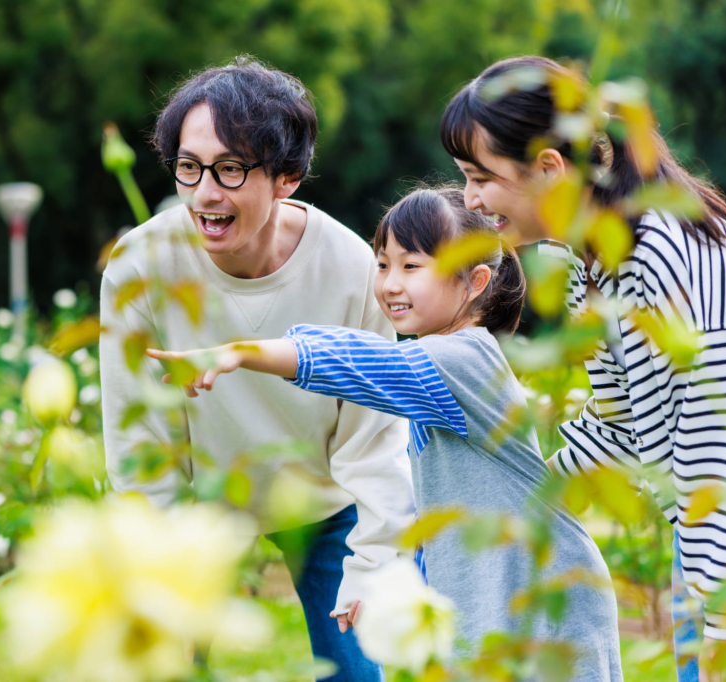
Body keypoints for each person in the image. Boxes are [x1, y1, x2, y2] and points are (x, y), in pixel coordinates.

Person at [149, 186, 623, 681]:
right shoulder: (435, 368)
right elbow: (426, 502)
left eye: (411, 266)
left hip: (546, 601)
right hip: (499, 598)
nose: (390, 284)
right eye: (382, 265)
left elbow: (360, 361)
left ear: (475, 281)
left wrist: (243, 353)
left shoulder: (463, 361)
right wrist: (378, 576)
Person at [440, 55, 726, 679]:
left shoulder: (663, 248)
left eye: (478, 176)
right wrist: (533, 493)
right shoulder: (590, 262)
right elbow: (621, 420)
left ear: (548, 169)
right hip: (716, 529)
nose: (469, 199)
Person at [99, 57, 414, 681]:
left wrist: (374, 566)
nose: (205, 193)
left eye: (231, 169)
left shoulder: (353, 269)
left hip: (329, 506)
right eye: (189, 167)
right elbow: (140, 441)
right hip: (201, 509)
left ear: (287, 177)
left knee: (359, 671)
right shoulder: (140, 267)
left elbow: (375, 443)